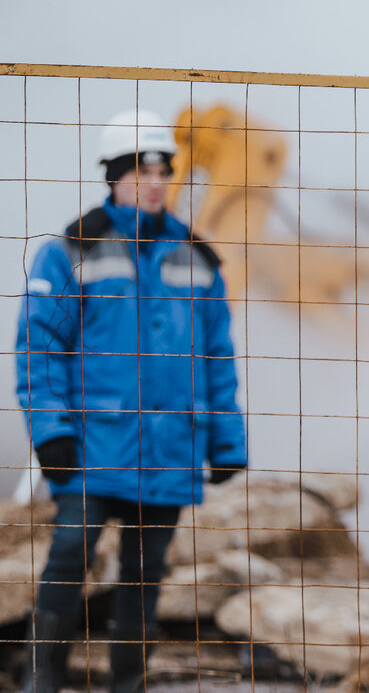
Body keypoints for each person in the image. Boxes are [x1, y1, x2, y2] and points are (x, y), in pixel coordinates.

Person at [15, 109, 248, 693]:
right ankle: (41, 683)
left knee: (144, 581)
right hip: (94, 450)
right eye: (141, 170)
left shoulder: (198, 259)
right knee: (69, 562)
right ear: (115, 174)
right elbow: (38, 352)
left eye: (163, 170)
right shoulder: (72, 250)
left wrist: (227, 441)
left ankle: (128, 686)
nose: (154, 181)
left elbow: (217, 358)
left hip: (170, 452)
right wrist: (52, 435)